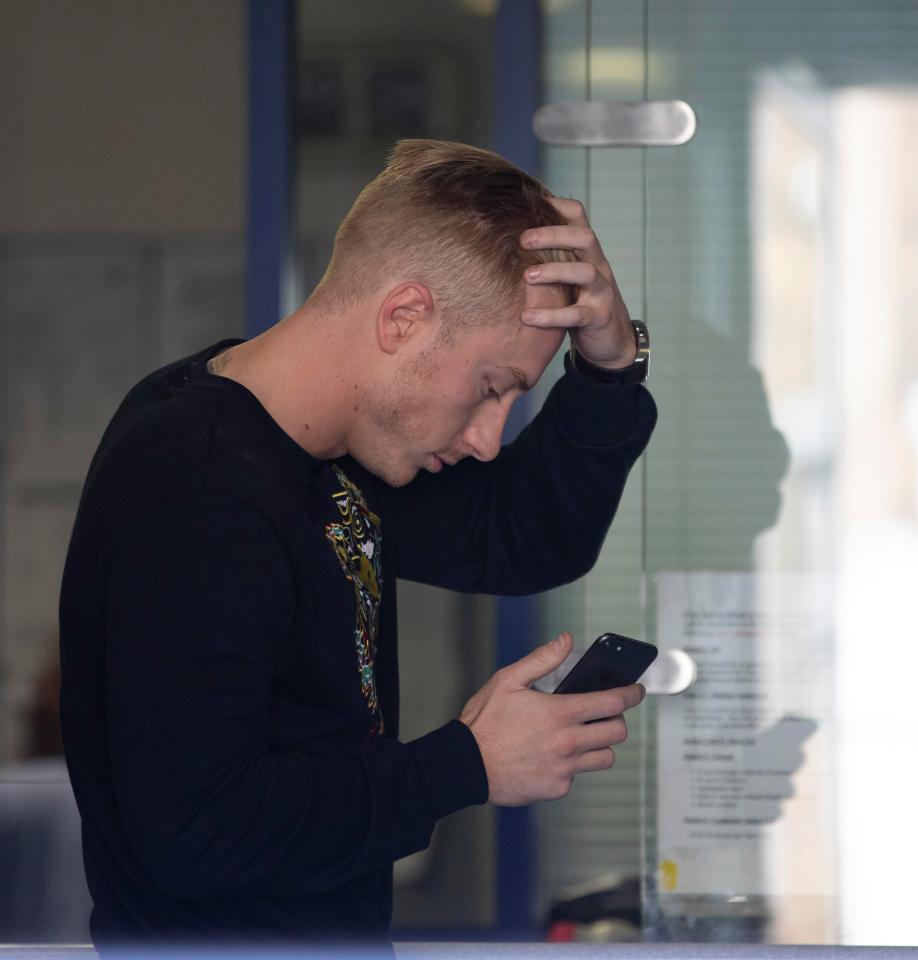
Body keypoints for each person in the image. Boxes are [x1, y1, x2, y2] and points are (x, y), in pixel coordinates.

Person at [59, 139, 657, 949]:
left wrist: (610, 367)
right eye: (490, 390)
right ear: (403, 316)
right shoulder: (199, 493)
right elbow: (197, 832)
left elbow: (523, 537)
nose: (488, 440)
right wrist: (464, 765)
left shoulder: (322, 454)